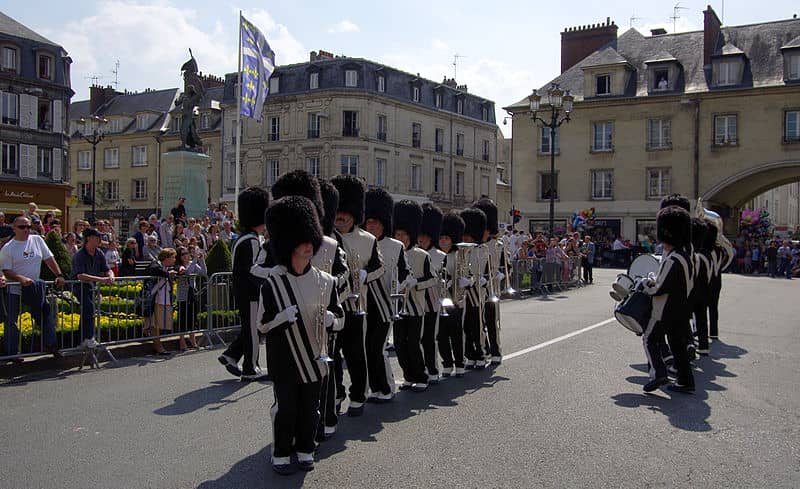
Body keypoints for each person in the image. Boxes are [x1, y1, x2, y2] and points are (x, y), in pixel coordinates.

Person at [257, 195, 344, 475]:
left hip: (316, 357)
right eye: (302, 239)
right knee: (286, 409)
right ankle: (281, 452)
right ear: (288, 243)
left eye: (311, 238)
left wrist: (332, 320)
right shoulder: (273, 282)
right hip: (284, 358)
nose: (309, 244)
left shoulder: (326, 280)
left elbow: (340, 319)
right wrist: (280, 318)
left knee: (310, 409)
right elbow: (261, 325)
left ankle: (306, 448)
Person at [330, 175, 384, 416]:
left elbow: (379, 267)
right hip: (333, 306)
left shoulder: (368, 239)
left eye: (345, 212)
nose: (340, 216)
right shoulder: (326, 238)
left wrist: (365, 274)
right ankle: (337, 392)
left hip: (357, 305)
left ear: (354, 213)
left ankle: (358, 395)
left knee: (355, 355)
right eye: (337, 212)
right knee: (332, 357)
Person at [640, 206, 695, 394]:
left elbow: (658, 288)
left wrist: (646, 282)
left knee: (649, 338)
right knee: (677, 345)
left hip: (665, 309)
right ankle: (686, 381)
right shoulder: (685, 257)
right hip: (682, 308)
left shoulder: (672, 259)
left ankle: (658, 373)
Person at [218, 187, 271, 380]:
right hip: (250, 292)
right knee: (253, 331)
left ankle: (231, 355)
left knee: (251, 328)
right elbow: (253, 270)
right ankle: (250, 367)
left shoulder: (243, 238)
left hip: (243, 290)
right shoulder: (252, 241)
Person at [0, 217, 65, 357]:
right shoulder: (8, 248)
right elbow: (6, 270)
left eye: (29, 227)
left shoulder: (37, 240)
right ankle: (12, 353)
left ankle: (50, 344)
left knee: (45, 314)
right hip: (15, 289)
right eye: (22, 227)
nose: (26, 230)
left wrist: (59, 274)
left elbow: (49, 259)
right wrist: (20, 278)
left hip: (35, 287)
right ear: (14, 228)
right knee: (11, 321)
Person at [363, 188, 406, 400]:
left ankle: (387, 387)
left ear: (383, 223)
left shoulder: (396, 246)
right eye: (368, 222)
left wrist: (399, 286)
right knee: (366, 348)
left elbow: (405, 273)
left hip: (385, 303)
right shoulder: (361, 243)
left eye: (375, 222)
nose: (371, 226)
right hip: (363, 303)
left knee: (377, 348)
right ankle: (376, 387)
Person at [392, 200, 435, 392]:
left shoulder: (421, 255)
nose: (400, 237)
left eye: (403, 234)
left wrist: (416, 283)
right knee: (400, 345)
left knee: (413, 344)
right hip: (397, 306)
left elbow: (433, 279)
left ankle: (421, 376)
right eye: (397, 234)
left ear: (410, 236)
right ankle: (408, 376)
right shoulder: (391, 253)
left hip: (416, 306)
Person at [472, 198, 505, 365]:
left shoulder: (497, 245)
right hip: (476, 287)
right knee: (478, 322)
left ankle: (495, 350)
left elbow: (507, 265)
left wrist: (502, 275)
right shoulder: (474, 245)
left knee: (492, 321)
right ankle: (482, 349)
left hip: (492, 287)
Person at [71, 228, 115, 350]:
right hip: (80, 286)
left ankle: (82, 340)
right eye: (97, 237)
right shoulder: (80, 255)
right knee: (89, 309)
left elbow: (107, 268)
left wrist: (110, 275)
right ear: (89, 238)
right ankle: (89, 338)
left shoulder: (99, 252)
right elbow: (80, 275)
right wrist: (101, 280)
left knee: (88, 311)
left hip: (91, 287)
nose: (100, 240)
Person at [436, 211, 467, 377]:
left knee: (455, 333)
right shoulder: (435, 255)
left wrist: (461, 281)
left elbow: (464, 273)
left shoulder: (458, 255)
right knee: (441, 335)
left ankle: (460, 363)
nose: (443, 241)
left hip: (455, 299)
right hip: (439, 299)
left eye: (446, 238)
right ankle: (446, 363)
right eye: (441, 238)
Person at [460, 208, 489, 369]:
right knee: (465, 325)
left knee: (477, 324)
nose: (466, 237)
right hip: (463, 293)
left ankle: (481, 353)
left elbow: (487, 272)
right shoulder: (461, 249)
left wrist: (476, 280)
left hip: (478, 292)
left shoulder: (483, 250)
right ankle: (469, 354)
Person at [419, 203, 445, 379]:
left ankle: (432, 370)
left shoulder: (439, 256)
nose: (421, 240)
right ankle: (418, 371)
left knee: (428, 339)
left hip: (432, 302)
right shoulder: (411, 253)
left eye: (425, 237)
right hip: (415, 303)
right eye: (419, 236)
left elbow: (440, 279)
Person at [144, 248, 179, 355]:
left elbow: (176, 268)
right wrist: (168, 274)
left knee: (158, 324)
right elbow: (155, 270)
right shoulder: (155, 264)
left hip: (163, 299)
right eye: (172, 257)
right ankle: (158, 347)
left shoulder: (166, 268)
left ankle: (153, 339)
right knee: (155, 324)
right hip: (155, 299)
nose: (174, 260)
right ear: (166, 258)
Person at [174, 246, 203, 350]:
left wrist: (201, 259)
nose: (186, 255)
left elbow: (203, 272)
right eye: (183, 254)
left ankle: (193, 340)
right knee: (183, 319)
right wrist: (195, 259)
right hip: (183, 296)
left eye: (186, 253)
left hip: (192, 295)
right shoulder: (178, 266)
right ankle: (182, 342)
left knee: (192, 318)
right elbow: (188, 272)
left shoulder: (192, 263)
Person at [691, 219, 712, 356]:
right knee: (702, 318)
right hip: (704, 290)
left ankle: (689, 344)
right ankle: (704, 344)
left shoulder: (693, 256)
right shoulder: (707, 255)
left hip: (692, 292)